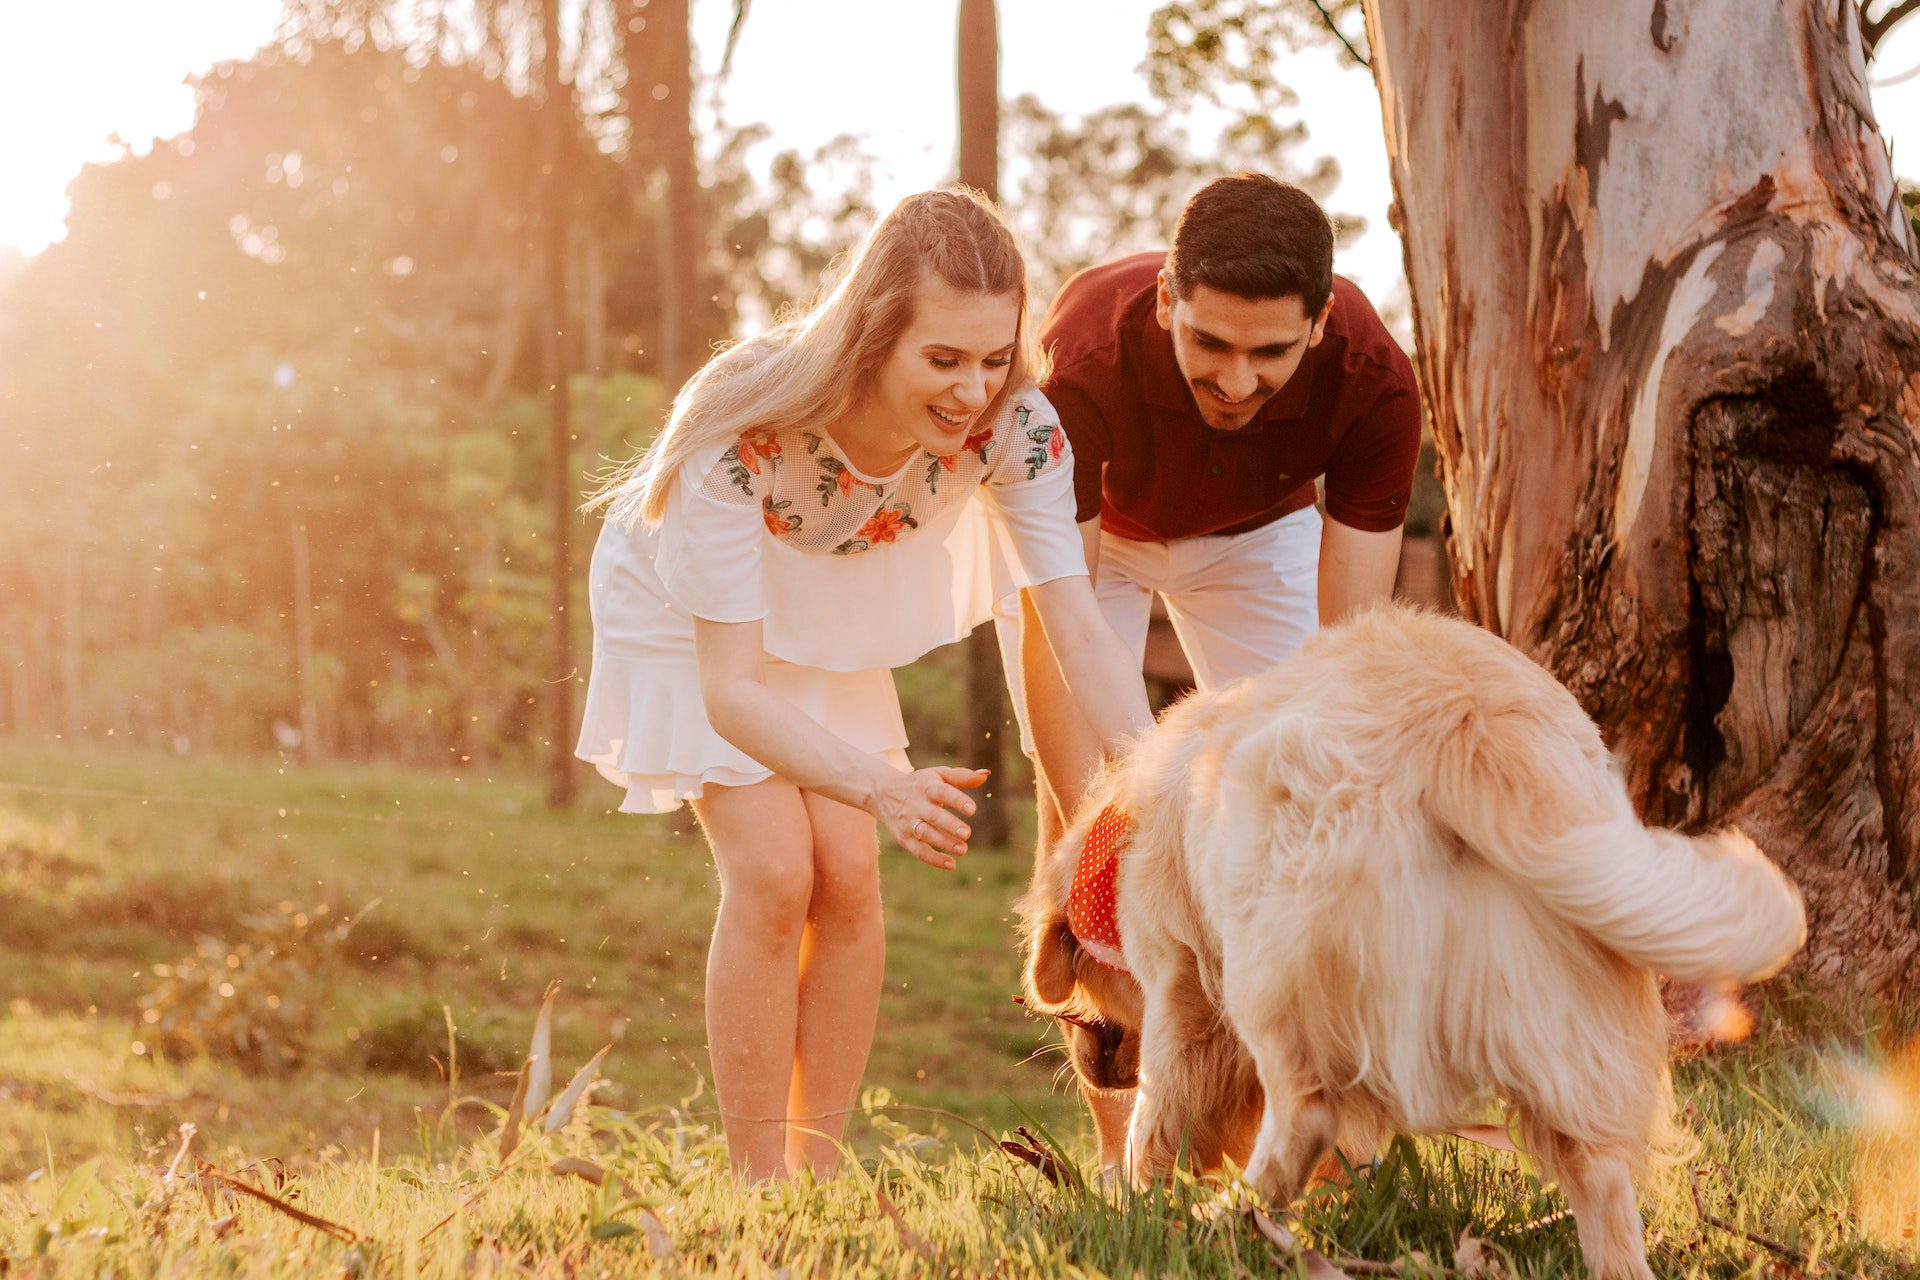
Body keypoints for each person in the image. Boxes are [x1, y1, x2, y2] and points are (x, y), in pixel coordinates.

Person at [578, 188, 1154, 1182]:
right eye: (942, 359)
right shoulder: (745, 423)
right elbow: (732, 691)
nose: (973, 389)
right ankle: (760, 1184)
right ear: (873, 333)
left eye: (992, 355)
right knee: (775, 869)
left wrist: (1164, 785)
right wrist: (885, 784)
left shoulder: (1019, 429)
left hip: (828, 597)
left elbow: (1080, 632)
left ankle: (818, 1169)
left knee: (849, 872)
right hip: (697, 615)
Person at [1002, 173, 1423, 1168]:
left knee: (1295, 817)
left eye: (1271, 352)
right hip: (1094, 546)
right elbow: (1066, 616)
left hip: (1254, 532)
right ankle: (1127, 1161)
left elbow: (1343, 659)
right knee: (1094, 838)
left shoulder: (1376, 383)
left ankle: (1305, 1131)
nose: (1237, 379)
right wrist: (1117, 815)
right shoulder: (1087, 359)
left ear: (1319, 326)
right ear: (1166, 305)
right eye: (1211, 345)